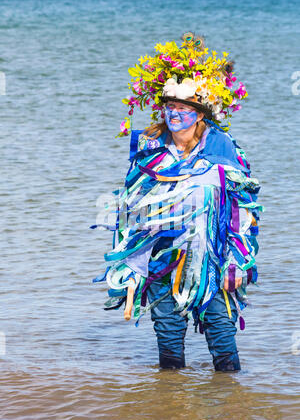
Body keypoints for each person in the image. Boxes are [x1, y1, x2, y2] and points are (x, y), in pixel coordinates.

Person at [91, 33, 263, 372]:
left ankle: (232, 413)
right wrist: (130, 266)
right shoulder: (150, 150)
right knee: (168, 341)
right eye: (170, 107)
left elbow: (243, 211)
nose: (175, 114)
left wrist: (237, 263)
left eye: (184, 108)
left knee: (222, 336)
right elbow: (132, 208)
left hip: (213, 259)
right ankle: (169, 411)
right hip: (161, 261)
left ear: (200, 114)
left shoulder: (222, 149)